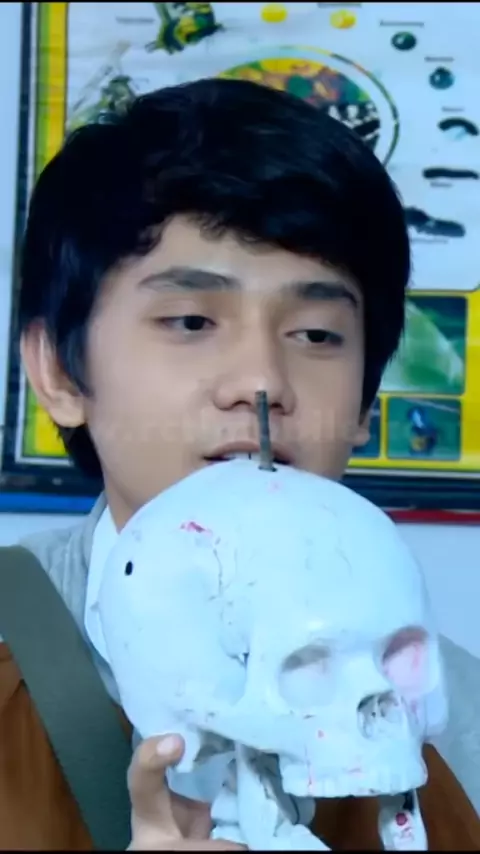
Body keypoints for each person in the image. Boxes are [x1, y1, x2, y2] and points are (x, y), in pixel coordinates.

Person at [0, 77, 479, 850]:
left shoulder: (445, 703)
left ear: (365, 402)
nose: (261, 383)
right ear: (57, 371)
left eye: (317, 335)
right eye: (191, 320)